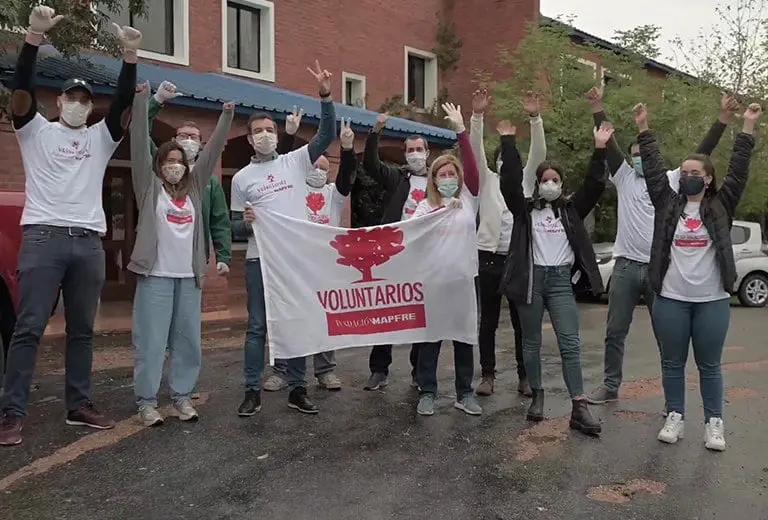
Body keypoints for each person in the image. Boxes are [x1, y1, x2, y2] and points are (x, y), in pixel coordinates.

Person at [0, 8, 140, 447]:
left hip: (88, 245)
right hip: (43, 239)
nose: (78, 104)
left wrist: (131, 55)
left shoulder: (100, 137)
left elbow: (123, 105)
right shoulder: (34, 131)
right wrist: (34, 38)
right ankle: (11, 413)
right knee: (29, 327)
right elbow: (20, 89)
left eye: (84, 100)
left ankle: (79, 405)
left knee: (82, 330)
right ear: (58, 102)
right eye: (71, 98)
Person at [585, 86, 740, 407]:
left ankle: (671, 395)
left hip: (662, 271)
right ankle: (611, 385)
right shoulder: (624, 177)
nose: (640, 159)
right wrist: (598, 106)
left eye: (644, 154)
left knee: (667, 337)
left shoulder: (670, 181)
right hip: (626, 267)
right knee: (615, 332)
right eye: (635, 155)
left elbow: (703, 152)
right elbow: (609, 144)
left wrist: (723, 119)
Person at [634, 102, 760, 451]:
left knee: (710, 365)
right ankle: (674, 416)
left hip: (712, 301)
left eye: (693, 172)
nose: (685, 176)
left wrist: (747, 127)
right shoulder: (667, 202)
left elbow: (739, 169)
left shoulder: (722, 203)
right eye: (683, 172)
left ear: (706, 178)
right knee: (672, 362)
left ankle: (713, 423)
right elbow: (656, 170)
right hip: (671, 299)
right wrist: (644, 128)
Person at [231, 61, 336, 417]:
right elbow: (234, 228)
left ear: (277, 134)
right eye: (257, 131)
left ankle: (298, 388)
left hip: (294, 260)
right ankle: (251, 390)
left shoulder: (294, 162)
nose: (264, 135)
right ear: (249, 139)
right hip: (260, 260)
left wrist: (324, 95)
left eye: (269, 129)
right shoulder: (241, 179)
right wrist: (244, 224)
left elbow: (326, 134)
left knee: (296, 321)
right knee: (258, 326)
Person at [498, 119, 613, 436]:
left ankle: (579, 405)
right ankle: (537, 395)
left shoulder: (571, 209)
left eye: (555, 180)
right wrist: (508, 141)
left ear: (562, 184)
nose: (550, 184)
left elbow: (594, 184)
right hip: (532, 282)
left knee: (570, 343)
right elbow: (508, 184)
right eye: (545, 180)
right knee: (531, 343)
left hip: (561, 282)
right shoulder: (525, 210)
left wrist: (600, 149)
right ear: (537, 183)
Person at [128, 82, 234, 426]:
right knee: (152, 342)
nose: (175, 165)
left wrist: (226, 116)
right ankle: (146, 402)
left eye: (179, 161)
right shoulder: (148, 186)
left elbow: (213, 152)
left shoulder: (195, 189)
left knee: (188, 342)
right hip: (155, 277)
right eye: (168, 160)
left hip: (189, 279)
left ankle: (182, 397)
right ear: (158, 164)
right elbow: (137, 141)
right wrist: (144, 99)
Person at [262, 108, 345, 392]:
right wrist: (289, 135)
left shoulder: (334, 193)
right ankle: (280, 370)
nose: (319, 171)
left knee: (324, 318)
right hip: (293, 263)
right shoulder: (292, 186)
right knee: (288, 317)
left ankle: (325, 371)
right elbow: (277, 167)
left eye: (324, 168)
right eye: (315, 166)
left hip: (323, 266)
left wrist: (346, 148)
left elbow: (349, 173)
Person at [471, 88, 547, 398]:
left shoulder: (527, 182)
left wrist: (534, 118)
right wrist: (477, 115)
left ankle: (524, 375)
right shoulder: (487, 180)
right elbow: (474, 149)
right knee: (487, 320)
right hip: (489, 258)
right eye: (500, 158)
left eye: (508, 158)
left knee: (521, 322)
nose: (504, 162)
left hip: (517, 260)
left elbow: (539, 154)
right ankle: (487, 375)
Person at [411, 103, 482, 416]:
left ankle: (464, 393)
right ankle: (427, 391)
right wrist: (441, 210)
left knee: (464, 339)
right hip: (433, 285)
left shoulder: (468, 200)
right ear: (434, 179)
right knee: (431, 341)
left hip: (464, 283)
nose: (448, 178)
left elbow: (474, 167)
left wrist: (461, 131)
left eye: (452, 173)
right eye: (442, 174)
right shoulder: (425, 207)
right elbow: (407, 237)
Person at [359, 113, 431, 391]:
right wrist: (376, 131)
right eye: (410, 150)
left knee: (419, 313)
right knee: (386, 310)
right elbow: (370, 164)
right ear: (405, 154)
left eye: (419, 150)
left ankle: (418, 371)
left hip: (423, 256)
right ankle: (379, 370)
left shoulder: (438, 181)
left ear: (428, 152)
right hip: (392, 253)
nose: (415, 154)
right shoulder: (397, 177)